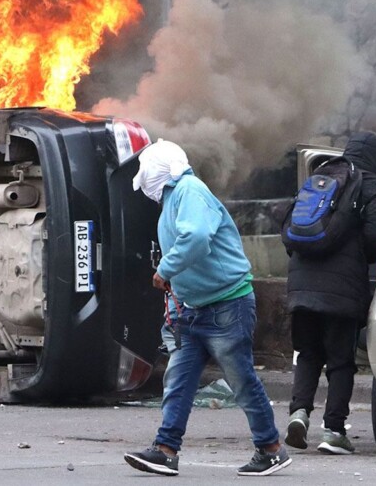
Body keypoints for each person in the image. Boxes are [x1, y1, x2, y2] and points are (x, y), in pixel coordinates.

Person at [123, 139, 292, 477]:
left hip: (226, 305)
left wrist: (165, 271)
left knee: (240, 379)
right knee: (179, 381)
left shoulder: (189, 191)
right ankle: (165, 450)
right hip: (195, 308)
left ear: (159, 172)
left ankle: (271, 448)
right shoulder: (176, 196)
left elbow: (196, 238)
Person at [284, 131, 376, 455]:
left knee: (307, 353)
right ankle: (333, 430)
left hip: (301, 283)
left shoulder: (321, 175)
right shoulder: (374, 185)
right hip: (341, 289)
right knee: (340, 362)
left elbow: (291, 227)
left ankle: (299, 414)